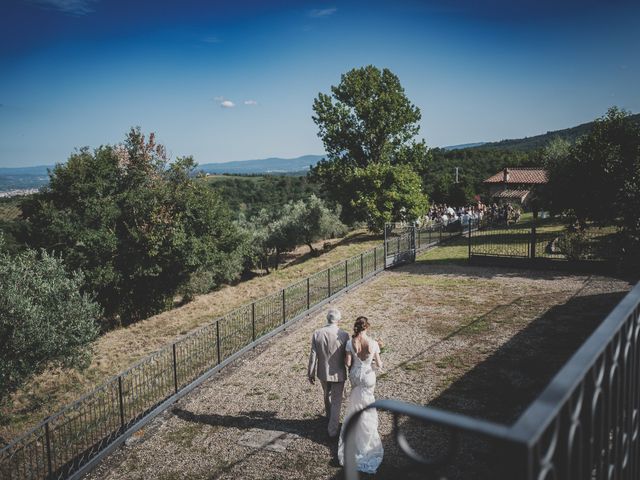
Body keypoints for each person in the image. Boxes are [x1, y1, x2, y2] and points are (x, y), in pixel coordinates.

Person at [337, 316, 384, 474]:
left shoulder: (350, 343)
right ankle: (367, 433)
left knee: (355, 403)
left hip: (356, 376)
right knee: (368, 403)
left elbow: (348, 363)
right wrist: (378, 350)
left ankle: (355, 427)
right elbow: (379, 364)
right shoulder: (374, 343)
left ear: (357, 327)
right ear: (367, 327)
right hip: (368, 376)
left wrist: (347, 355)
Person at [307, 308, 350, 437]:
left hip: (323, 372)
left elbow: (313, 355)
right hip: (339, 372)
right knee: (337, 400)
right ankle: (332, 430)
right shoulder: (343, 334)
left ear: (327, 319)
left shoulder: (317, 333)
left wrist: (311, 372)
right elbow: (346, 356)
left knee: (327, 395)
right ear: (338, 320)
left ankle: (330, 418)